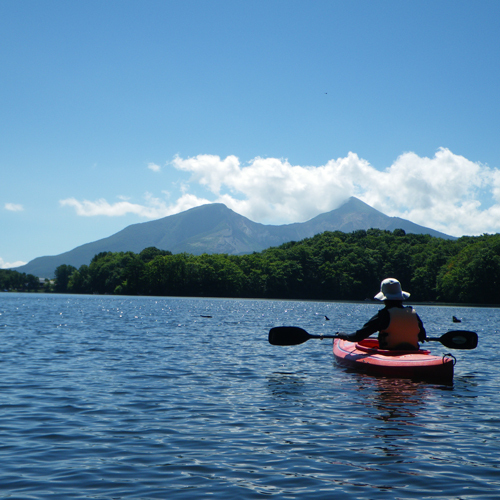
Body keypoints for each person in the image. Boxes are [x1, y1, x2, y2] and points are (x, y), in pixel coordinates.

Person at [338, 278, 427, 350]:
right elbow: (422, 337)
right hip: (413, 351)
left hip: (390, 353)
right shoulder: (413, 314)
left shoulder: (383, 315)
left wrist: (344, 335)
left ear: (384, 299)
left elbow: (359, 336)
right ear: (401, 297)